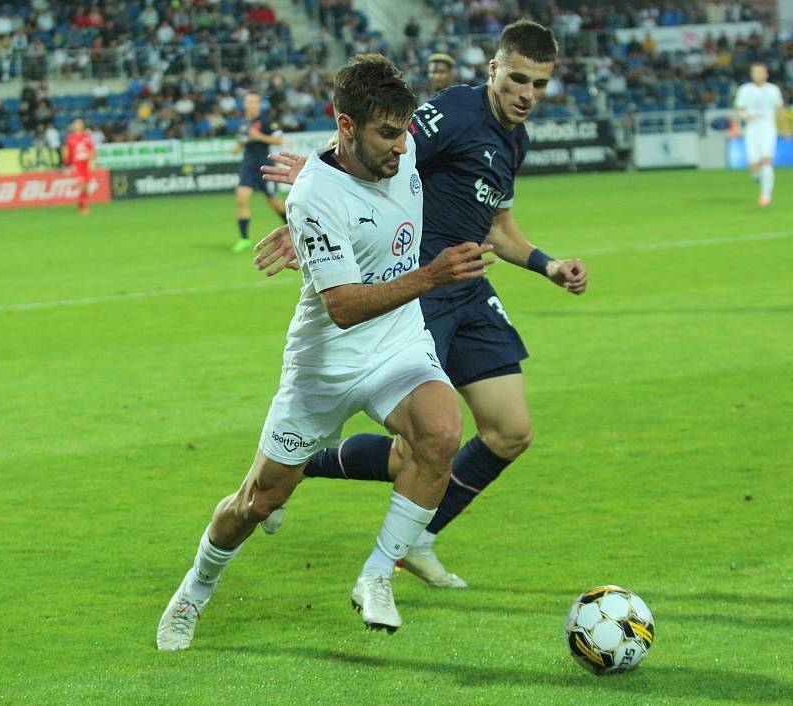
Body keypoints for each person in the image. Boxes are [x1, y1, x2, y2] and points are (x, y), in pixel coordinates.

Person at [156, 54, 494, 650]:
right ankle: (193, 592)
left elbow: (378, 158)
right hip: (326, 361)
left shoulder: (398, 146)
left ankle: (375, 574)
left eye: (403, 130)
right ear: (346, 125)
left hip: (396, 340)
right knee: (257, 501)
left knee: (441, 434)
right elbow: (340, 307)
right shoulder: (313, 197)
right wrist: (432, 276)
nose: (400, 147)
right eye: (387, 134)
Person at [257, 21, 588, 588]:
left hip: (470, 287)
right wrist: (310, 212)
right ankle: (301, 458)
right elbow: (372, 148)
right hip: (418, 286)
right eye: (517, 78)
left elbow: (498, 225)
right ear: (493, 70)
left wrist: (548, 265)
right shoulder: (455, 113)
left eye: (538, 84)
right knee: (422, 447)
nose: (526, 94)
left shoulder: (516, 140)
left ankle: (419, 539)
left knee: (510, 431)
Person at [231, 92, 286, 253]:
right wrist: (238, 146)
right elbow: (244, 139)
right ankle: (244, 239)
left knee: (273, 201)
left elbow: (278, 140)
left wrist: (259, 136)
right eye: (250, 102)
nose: (252, 104)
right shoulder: (243, 123)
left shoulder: (266, 121)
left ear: (259, 104)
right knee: (241, 199)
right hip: (248, 166)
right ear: (245, 104)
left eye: (255, 102)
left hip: (265, 166)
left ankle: (291, 227)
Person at [734, 62, 791, 207]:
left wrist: (786, 129)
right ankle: (761, 177)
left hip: (768, 129)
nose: (759, 74)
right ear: (751, 74)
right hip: (751, 130)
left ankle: (765, 196)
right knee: (754, 166)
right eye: (756, 72)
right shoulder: (745, 90)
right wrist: (743, 117)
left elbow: (780, 110)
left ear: (766, 74)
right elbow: (738, 109)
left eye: (761, 72)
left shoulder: (773, 90)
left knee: (766, 161)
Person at [63, 118, 95, 215]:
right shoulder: (70, 138)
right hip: (76, 164)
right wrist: (66, 164)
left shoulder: (86, 136)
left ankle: (82, 205)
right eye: (76, 124)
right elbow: (67, 153)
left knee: (86, 186)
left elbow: (91, 150)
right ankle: (82, 207)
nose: (78, 125)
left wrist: (91, 160)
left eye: (79, 124)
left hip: (85, 164)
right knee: (83, 185)